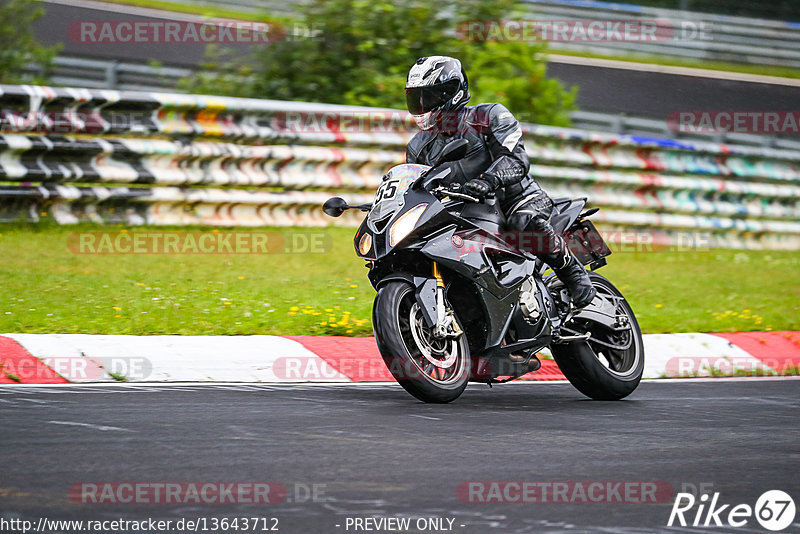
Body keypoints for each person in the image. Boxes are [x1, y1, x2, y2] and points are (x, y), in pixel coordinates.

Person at [404, 55, 596, 308]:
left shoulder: (489, 115)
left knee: (521, 221)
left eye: (427, 97)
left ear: (450, 92)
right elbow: (415, 183)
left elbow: (515, 159)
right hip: (465, 212)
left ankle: (573, 274)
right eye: (415, 98)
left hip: (516, 199)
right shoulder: (419, 145)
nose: (422, 105)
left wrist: (488, 180)